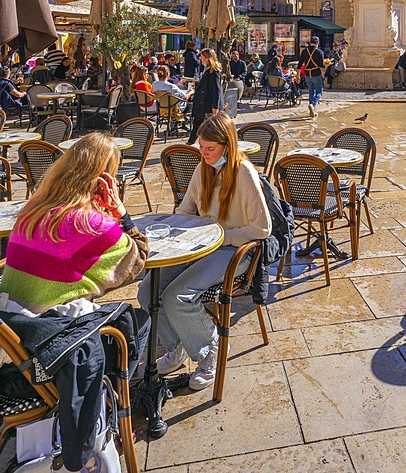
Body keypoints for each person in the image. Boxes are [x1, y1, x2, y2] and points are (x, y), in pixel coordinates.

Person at [138, 113, 271, 391]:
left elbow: (262, 228)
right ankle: (177, 347)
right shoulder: (203, 168)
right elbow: (186, 210)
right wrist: (179, 231)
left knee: (177, 297)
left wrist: (223, 238)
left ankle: (210, 350)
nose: (204, 153)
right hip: (202, 246)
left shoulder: (244, 174)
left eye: (210, 149)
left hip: (235, 250)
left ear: (227, 146)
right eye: (201, 147)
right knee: (147, 290)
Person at [1, 131, 149, 311]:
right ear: (106, 180)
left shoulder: (33, 208)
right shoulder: (91, 225)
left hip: (9, 321)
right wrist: (121, 213)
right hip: (47, 330)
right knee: (141, 321)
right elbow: (137, 258)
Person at [187, 47, 223, 144]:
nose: (200, 58)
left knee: (205, 125)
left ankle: (192, 142)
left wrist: (215, 106)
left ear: (207, 58)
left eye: (201, 56)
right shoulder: (207, 70)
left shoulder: (214, 71)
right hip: (203, 102)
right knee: (199, 123)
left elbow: (217, 89)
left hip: (207, 103)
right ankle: (191, 142)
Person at [297, 35, 325, 118]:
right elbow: (322, 65)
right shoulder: (319, 52)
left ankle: (312, 110)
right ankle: (312, 105)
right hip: (316, 73)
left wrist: (298, 75)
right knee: (319, 91)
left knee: (311, 91)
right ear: (317, 43)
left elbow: (300, 64)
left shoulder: (304, 51)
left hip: (307, 74)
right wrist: (326, 64)